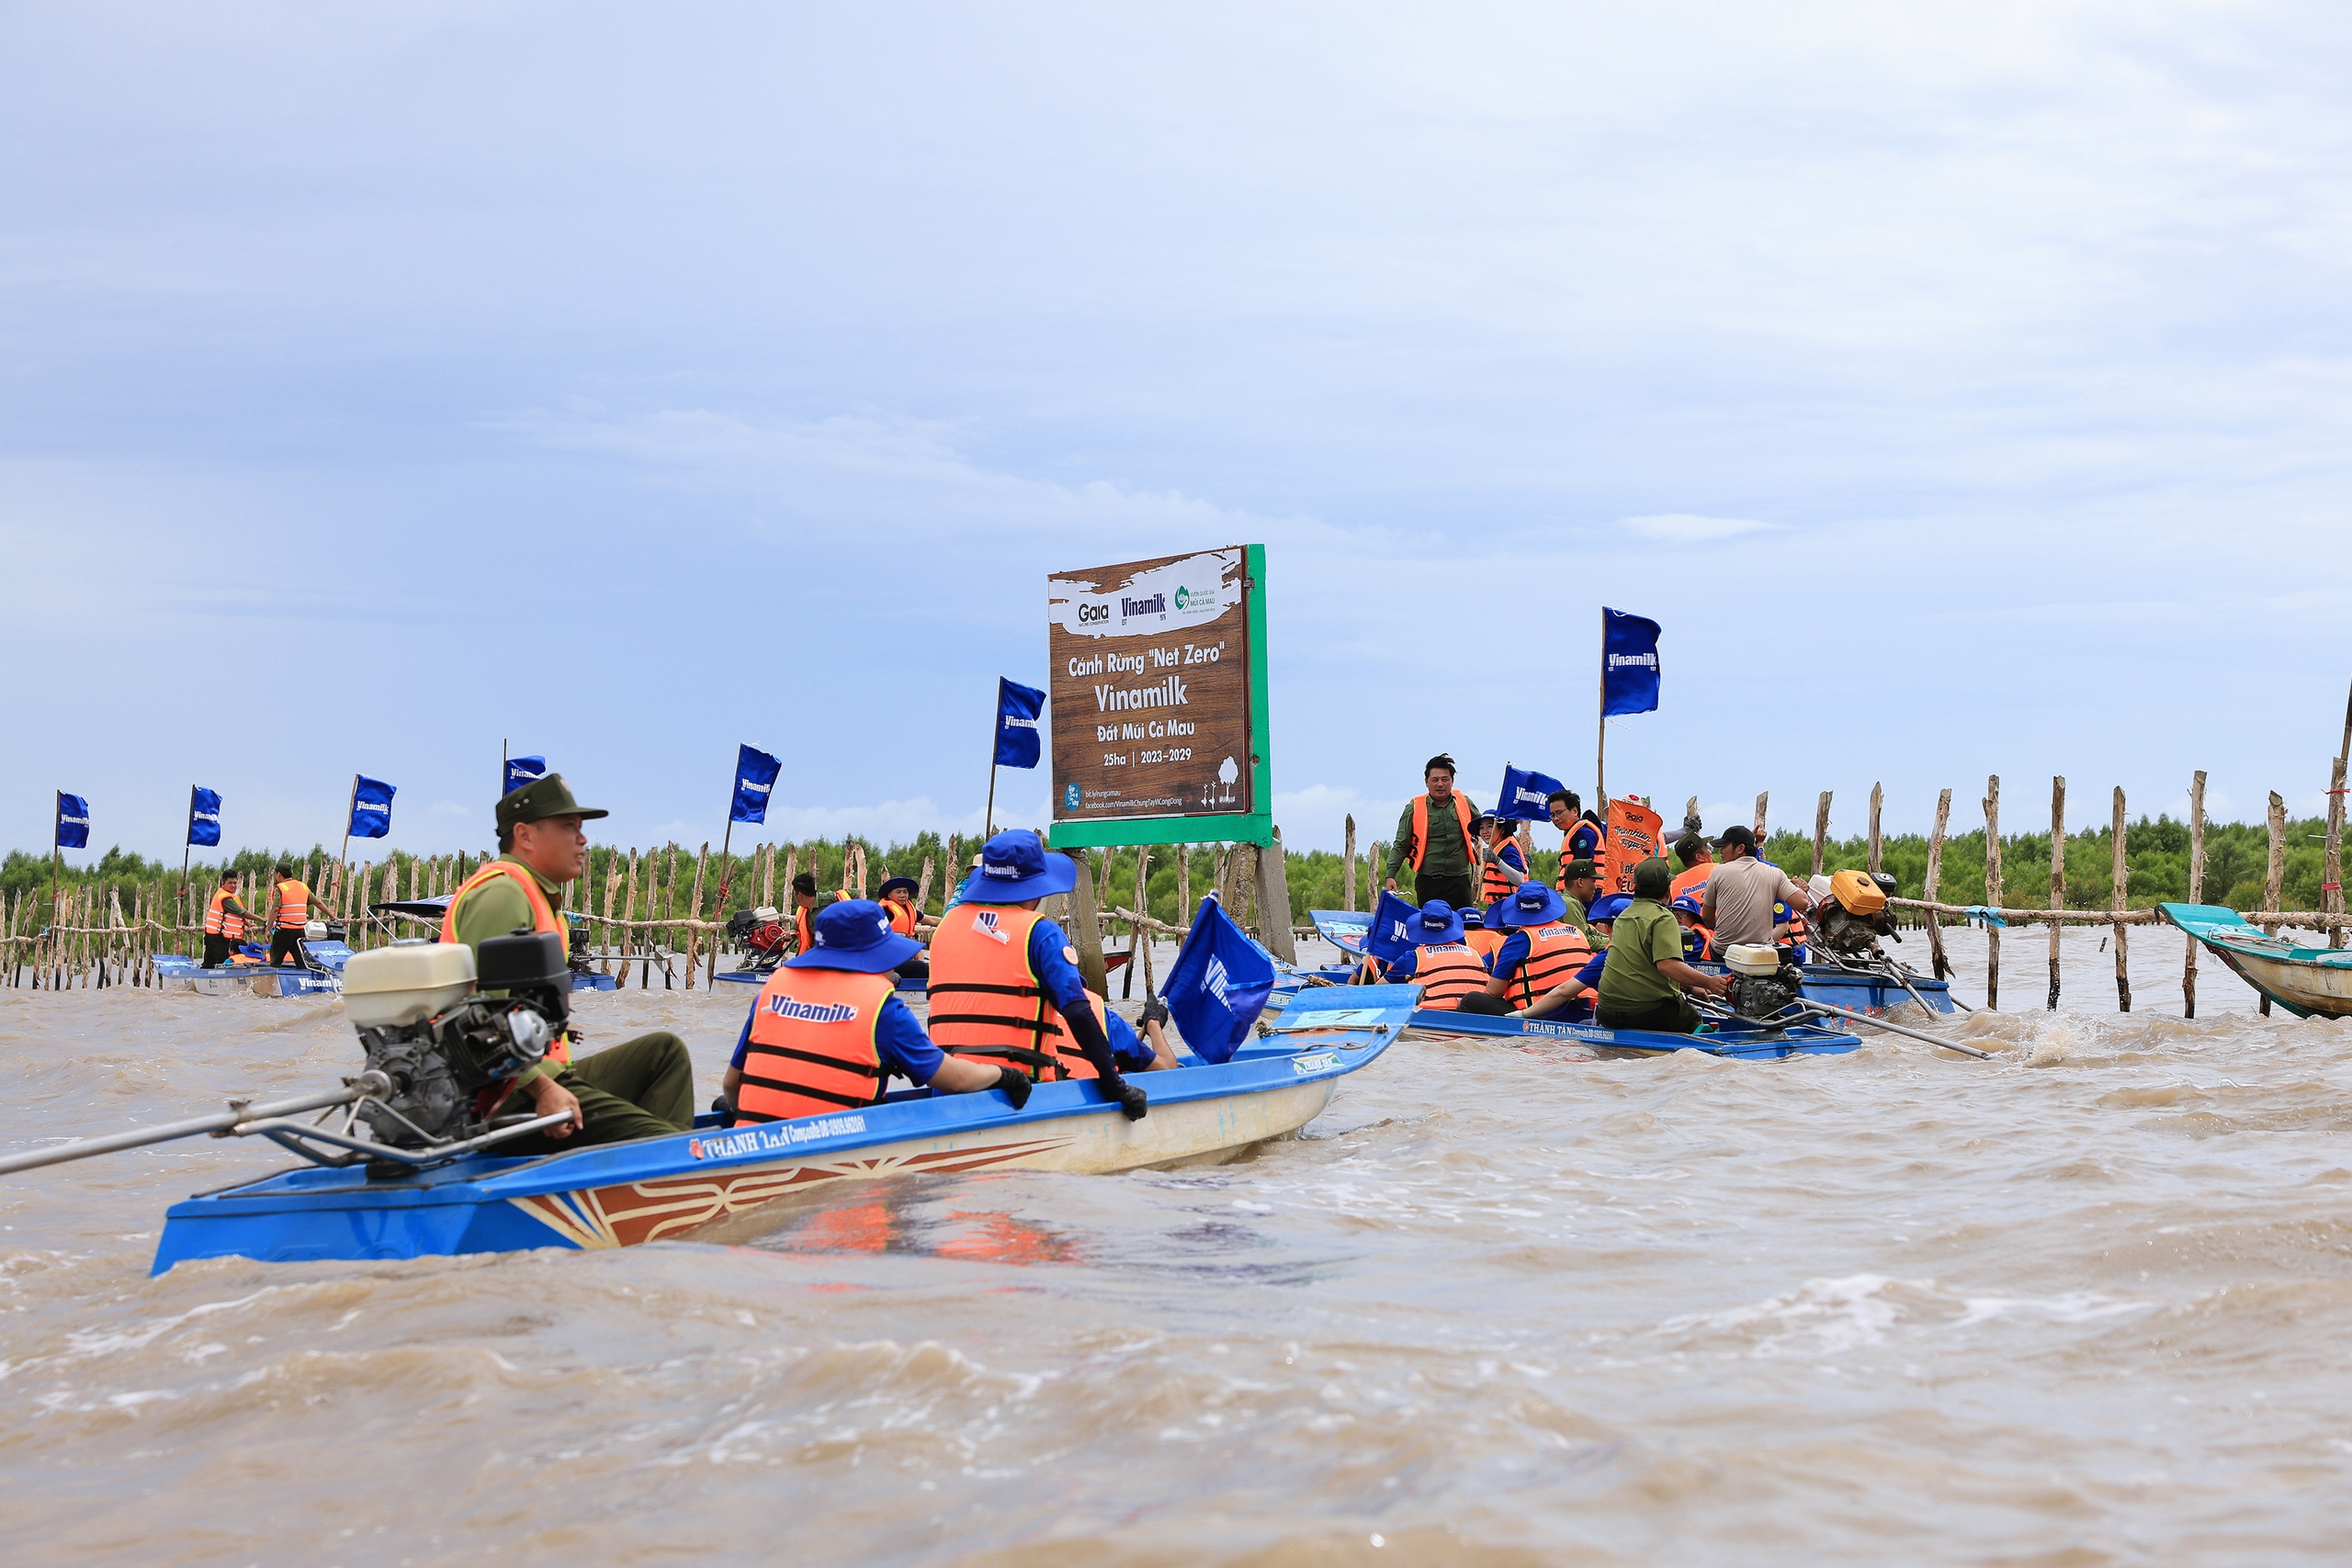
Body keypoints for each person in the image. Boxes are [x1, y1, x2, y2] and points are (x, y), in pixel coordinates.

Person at [442, 773, 696, 1150]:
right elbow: (478, 1019)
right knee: (668, 1146)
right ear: (526, 836)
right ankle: (665, 1164)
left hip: (544, 1073)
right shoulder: (503, 893)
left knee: (664, 1052)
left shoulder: (539, 896)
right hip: (504, 1091)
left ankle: (637, 1166)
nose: (583, 839)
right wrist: (544, 1089)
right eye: (568, 827)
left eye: (581, 828)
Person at [720, 898, 1032, 1124]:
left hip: (754, 1143)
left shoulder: (770, 992)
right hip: (833, 1153)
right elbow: (957, 1080)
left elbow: (731, 1086)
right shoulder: (883, 1010)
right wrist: (1003, 1075)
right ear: (872, 957)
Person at [926, 831, 1149, 1117]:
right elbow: (1077, 1010)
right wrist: (1115, 1086)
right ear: (1034, 889)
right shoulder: (1040, 933)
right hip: (1018, 1094)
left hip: (946, 1090)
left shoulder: (945, 928)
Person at [1596, 858, 1734, 1033]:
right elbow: (1667, 966)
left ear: (1635, 887)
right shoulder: (1663, 917)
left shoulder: (1623, 916)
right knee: (1692, 1018)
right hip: (1646, 1012)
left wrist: (1691, 988)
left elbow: (1643, 971)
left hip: (1607, 1011)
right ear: (1667, 890)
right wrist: (1709, 981)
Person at [1464, 880, 1595, 1017]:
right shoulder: (1577, 933)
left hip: (1541, 1017)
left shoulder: (1519, 940)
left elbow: (1494, 992)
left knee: (1470, 1000)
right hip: (1583, 1013)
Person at [1386, 754, 1477, 913]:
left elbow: (1485, 828)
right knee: (1431, 928)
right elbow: (1401, 844)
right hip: (1429, 882)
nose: (1440, 784)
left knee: (1465, 928)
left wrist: (1509, 825)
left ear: (1452, 781)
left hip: (1460, 881)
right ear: (1426, 782)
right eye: (1435, 780)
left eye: (1445, 779)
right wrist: (1390, 875)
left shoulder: (1465, 802)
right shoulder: (1414, 807)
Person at [1514, 893, 1624, 1022]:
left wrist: (1523, 1014)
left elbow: (1563, 992)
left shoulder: (1608, 957)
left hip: (1623, 1019)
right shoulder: (1652, 950)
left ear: (1608, 929)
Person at [1700, 826, 1811, 950]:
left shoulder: (1718, 872)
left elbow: (1707, 918)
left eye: (1724, 846)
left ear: (1740, 848)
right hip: (1761, 952)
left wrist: (1725, 930)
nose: (1720, 851)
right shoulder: (1774, 873)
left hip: (1724, 951)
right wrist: (1800, 888)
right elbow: (1802, 903)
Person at [1379, 900, 1490, 1011]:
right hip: (1478, 1019)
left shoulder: (1412, 958)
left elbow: (1378, 990)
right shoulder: (1476, 955)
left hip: (1430, 1020)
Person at [1547, 790, 1603, 895]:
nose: (1556, 818)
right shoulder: (1573, 833)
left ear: (1574, 811)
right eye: (1552, 815)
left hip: (1589, 893)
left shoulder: (1583, 833)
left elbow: (1583, 868)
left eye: (1559, 813)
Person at [1473, 814, 1531, 908]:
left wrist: (1497, 861)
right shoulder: (1496, 848)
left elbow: (1520, 879)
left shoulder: (1508, 850)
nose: (1485, 831)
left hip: (1510, 905)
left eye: (1490, 826)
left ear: (1502, 830)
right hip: (1497, 904)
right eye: (1481, 828)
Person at [266, 863, 313, 967]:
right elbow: (318, 902)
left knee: (275, 961)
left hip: (284, 931)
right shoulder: (303, 886)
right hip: (301, 931)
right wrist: (332, 916)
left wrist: (268, 928)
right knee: (302, 962)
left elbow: (275, 909)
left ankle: (273, 982)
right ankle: (304, 981)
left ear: (279, 874)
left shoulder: (280, 888)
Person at [201, 870, 252, 969]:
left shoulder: (228, 895)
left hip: (215, 934)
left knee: (209, 962)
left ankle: (204, 976)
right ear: (223, 883)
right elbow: (241, 912)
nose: (233, 885)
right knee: (224, 962)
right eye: (230, 883)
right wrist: (262, 919)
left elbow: (230, 915)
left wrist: (245, 922)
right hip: (218, 936)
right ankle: (221, 980)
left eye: (235, 883)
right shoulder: (225, 898)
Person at [1557, 857, 1600, 936]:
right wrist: (1612, 942)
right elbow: (1582, 939)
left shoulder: (1568, 901)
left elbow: (1590, 932)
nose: (1595, 887)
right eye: (1593, 881)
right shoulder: (1570, 903)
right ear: (1580, 882)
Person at [1669, 891, 1715, 964]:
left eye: (1683, 913)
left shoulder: (1697, 938)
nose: (1677, 916)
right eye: (1674, 913)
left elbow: (1674, 959)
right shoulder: (1670, 931)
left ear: (1694, 917)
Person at [1668, 835, 1714, 901]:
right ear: (1699, 857)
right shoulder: (1718, 870)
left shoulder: (1672, 884)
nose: (1710, 852)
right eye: (1707, 848)